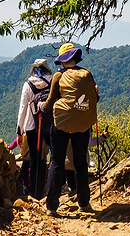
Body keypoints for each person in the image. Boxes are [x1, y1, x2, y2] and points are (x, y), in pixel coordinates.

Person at [41, 42, 99, 216]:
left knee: (57, 162)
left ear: (62, 60)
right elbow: (94, 99)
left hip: (61, 125)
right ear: (75, 57)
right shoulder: (86, 74)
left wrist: (42, 107)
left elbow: (50, 103)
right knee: (80, 162)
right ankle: (84, 204)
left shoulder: (58, 77)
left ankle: (52, 206)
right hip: (82, 124)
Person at [16, 58, 53, 198]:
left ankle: (33, 193)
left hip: (32, 127)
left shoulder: (28, 84)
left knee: (34, 159)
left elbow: (23, 109)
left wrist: (19, 131)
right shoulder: (52, 80)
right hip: (49, 124)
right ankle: (48, 191)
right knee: (49, 157)